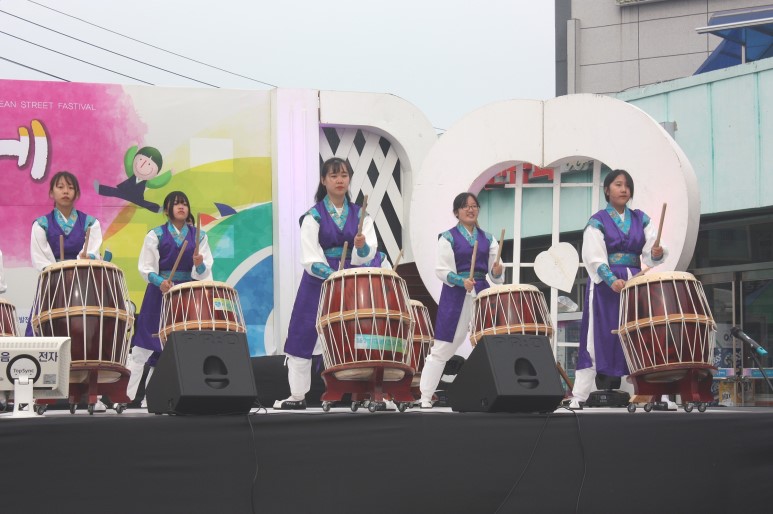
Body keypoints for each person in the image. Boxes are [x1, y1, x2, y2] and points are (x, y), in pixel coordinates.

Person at [274, 157, 377, 410]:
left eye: (343, 175)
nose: (340, 180)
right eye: (333, 176)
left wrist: (361, 249)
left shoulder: (361, 215)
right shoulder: (313, 216)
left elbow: (370, 252)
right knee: (302, 332)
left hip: (351, 277)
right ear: (323, 180)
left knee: (355, 334)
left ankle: (360, 392)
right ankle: (297, 396)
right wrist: (332, 275)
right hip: (319, 279)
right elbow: (310, 256)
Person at [566, 170, 666, 410]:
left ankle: (644, 393)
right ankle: (580, 395)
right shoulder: (597, 221)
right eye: (618, 184)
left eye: (627, 186)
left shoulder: (641, 218)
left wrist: (656, 254)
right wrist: (610, 279)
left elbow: (652, 251)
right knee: (595, 336)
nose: (624, 189)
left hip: (635, 282)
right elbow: (593, 257)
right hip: (605, 286)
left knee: (638, 335)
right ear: (607, 190)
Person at [125, 191, 213, 407]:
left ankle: (152, 396)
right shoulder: (155, 235)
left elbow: (202, 273)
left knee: (175, 348)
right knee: (144, 345)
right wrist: (159, 281)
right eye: (176, 204)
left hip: (185, 295)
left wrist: (199, 263)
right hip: (159, 294)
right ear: (167, 210)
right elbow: (145, 268)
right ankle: (124, 397)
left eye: (184, 203)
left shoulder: (199, 236)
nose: (181, 207)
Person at [418, 192, 504, 408]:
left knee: (488, 345)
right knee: (443, 346)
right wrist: (460, 281)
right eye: (465, 206)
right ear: (457, 212)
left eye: (474, 206)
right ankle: (426, 396)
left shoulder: (489, 239)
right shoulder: (447, 237)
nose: (471, 209)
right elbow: (441, 270)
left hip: (481, 293)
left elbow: (496, 276)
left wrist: (497, 270)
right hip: (455, 295)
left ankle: (493, 394)